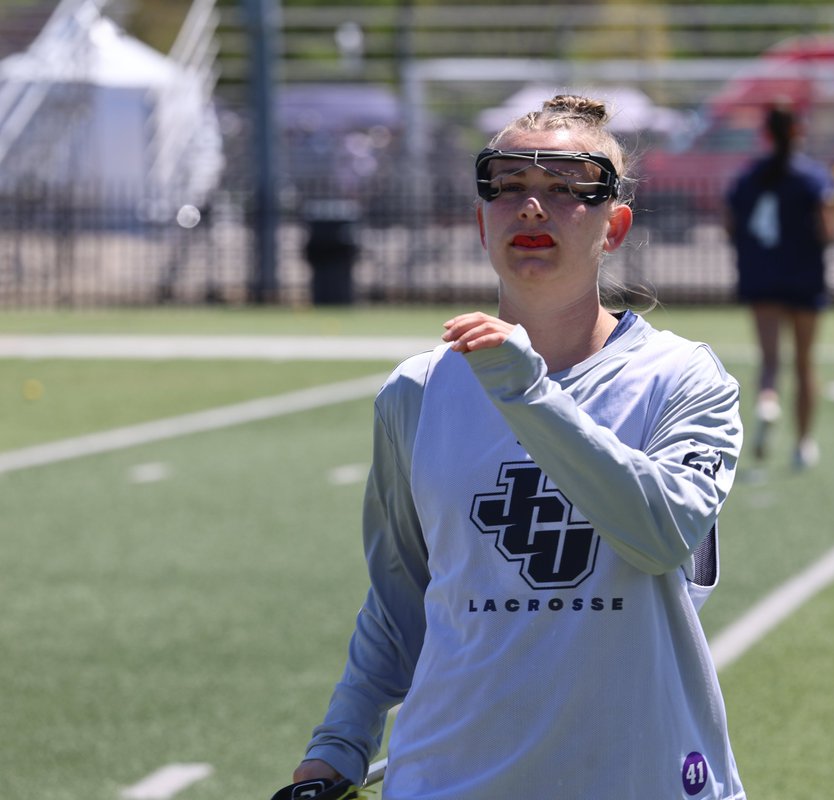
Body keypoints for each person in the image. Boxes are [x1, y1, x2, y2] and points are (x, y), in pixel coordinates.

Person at [282, 95, 746, 800]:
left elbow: (659, 534)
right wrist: (337, 745)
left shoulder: (683, 378)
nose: (533, 209)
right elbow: (402, 597)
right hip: (448, 778)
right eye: (510, 188)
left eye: (565, 191)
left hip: (636, 776)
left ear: (614, 225)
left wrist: (526, 392)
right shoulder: (417, 391)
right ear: (481, 218)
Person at [724, 102, 834, 471]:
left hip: (762, 277)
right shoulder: (812, 176)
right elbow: (830, 230)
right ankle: (803, 443)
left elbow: (730, 224)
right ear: (797, 131)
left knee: (770, 360)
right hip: (804, 278)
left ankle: (768, 401)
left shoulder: (749, 175)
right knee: (805, 361)